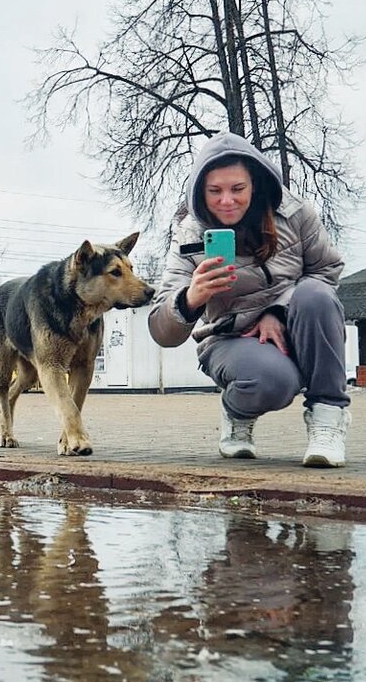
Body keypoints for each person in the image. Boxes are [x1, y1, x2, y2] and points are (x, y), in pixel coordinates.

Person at [148, 132, 350, 467]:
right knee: (274, 382)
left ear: (254, 184)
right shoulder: (189, 234)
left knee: (317, 295)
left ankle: (327, 421)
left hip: (296, 325)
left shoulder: (296, 215)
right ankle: (236, 414)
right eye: (215, 191)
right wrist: (190, 298)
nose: (227, 200)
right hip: (231, 339)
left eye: (237, 189)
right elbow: (160, 330)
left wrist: (277, 312)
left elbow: (327, 271)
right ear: (200, 191)